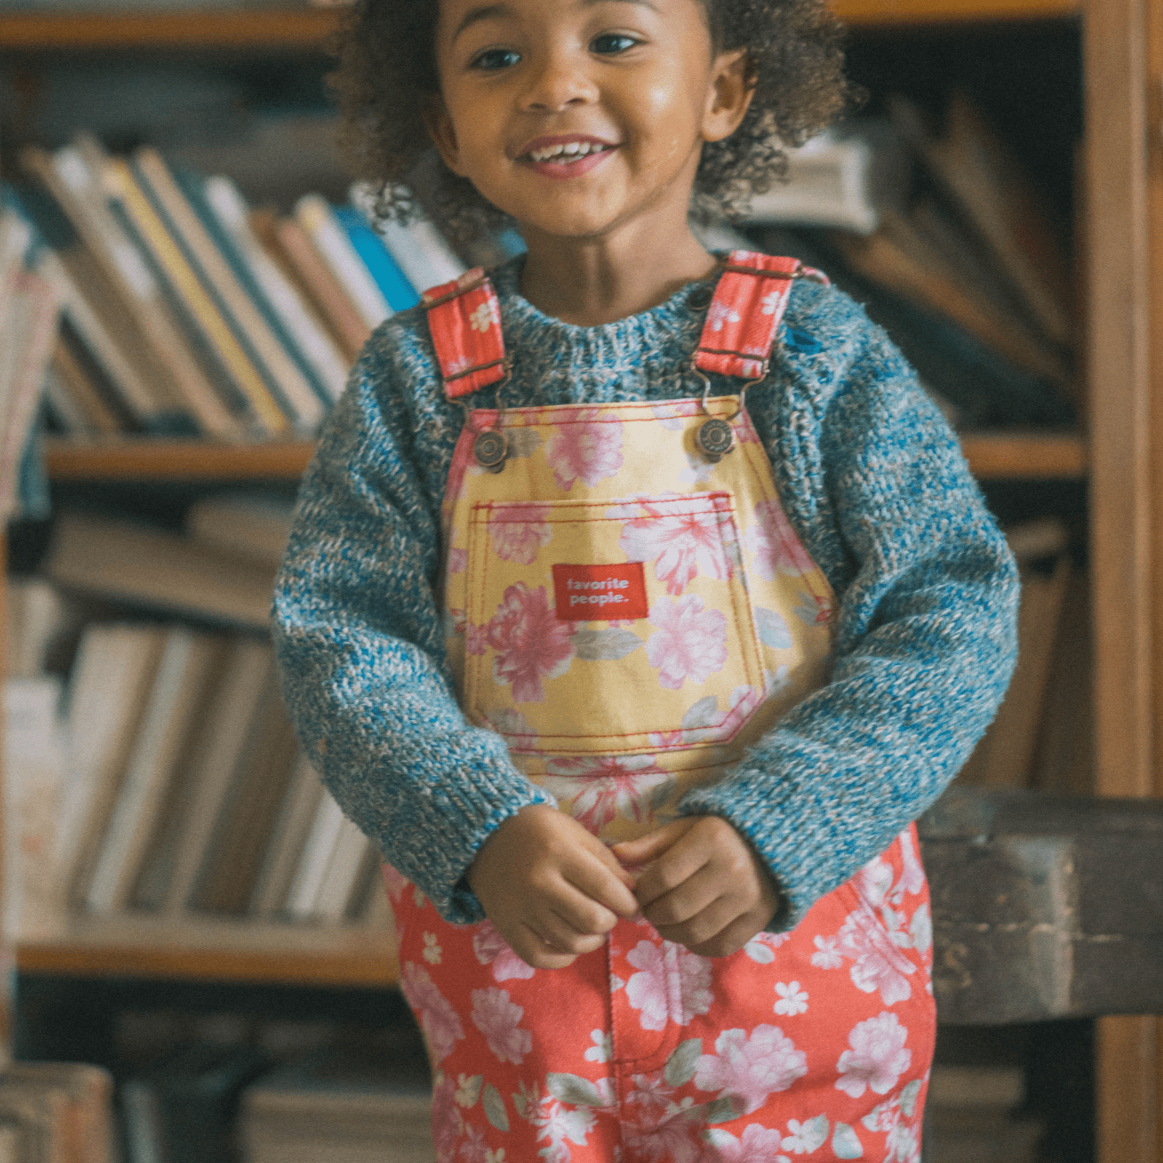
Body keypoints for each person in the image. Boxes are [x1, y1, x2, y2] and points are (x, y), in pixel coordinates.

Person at [273, 0, 1019, 1158]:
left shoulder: (813, 353)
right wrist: (478, 825)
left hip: (791, 1000)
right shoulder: (413, 376)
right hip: (518, 1007)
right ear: (444, 126)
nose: (553, 82)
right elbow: (339, 634)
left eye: (611, 39)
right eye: (495, 53)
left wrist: (783, 822)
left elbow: (951, 609)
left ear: (725, 92)